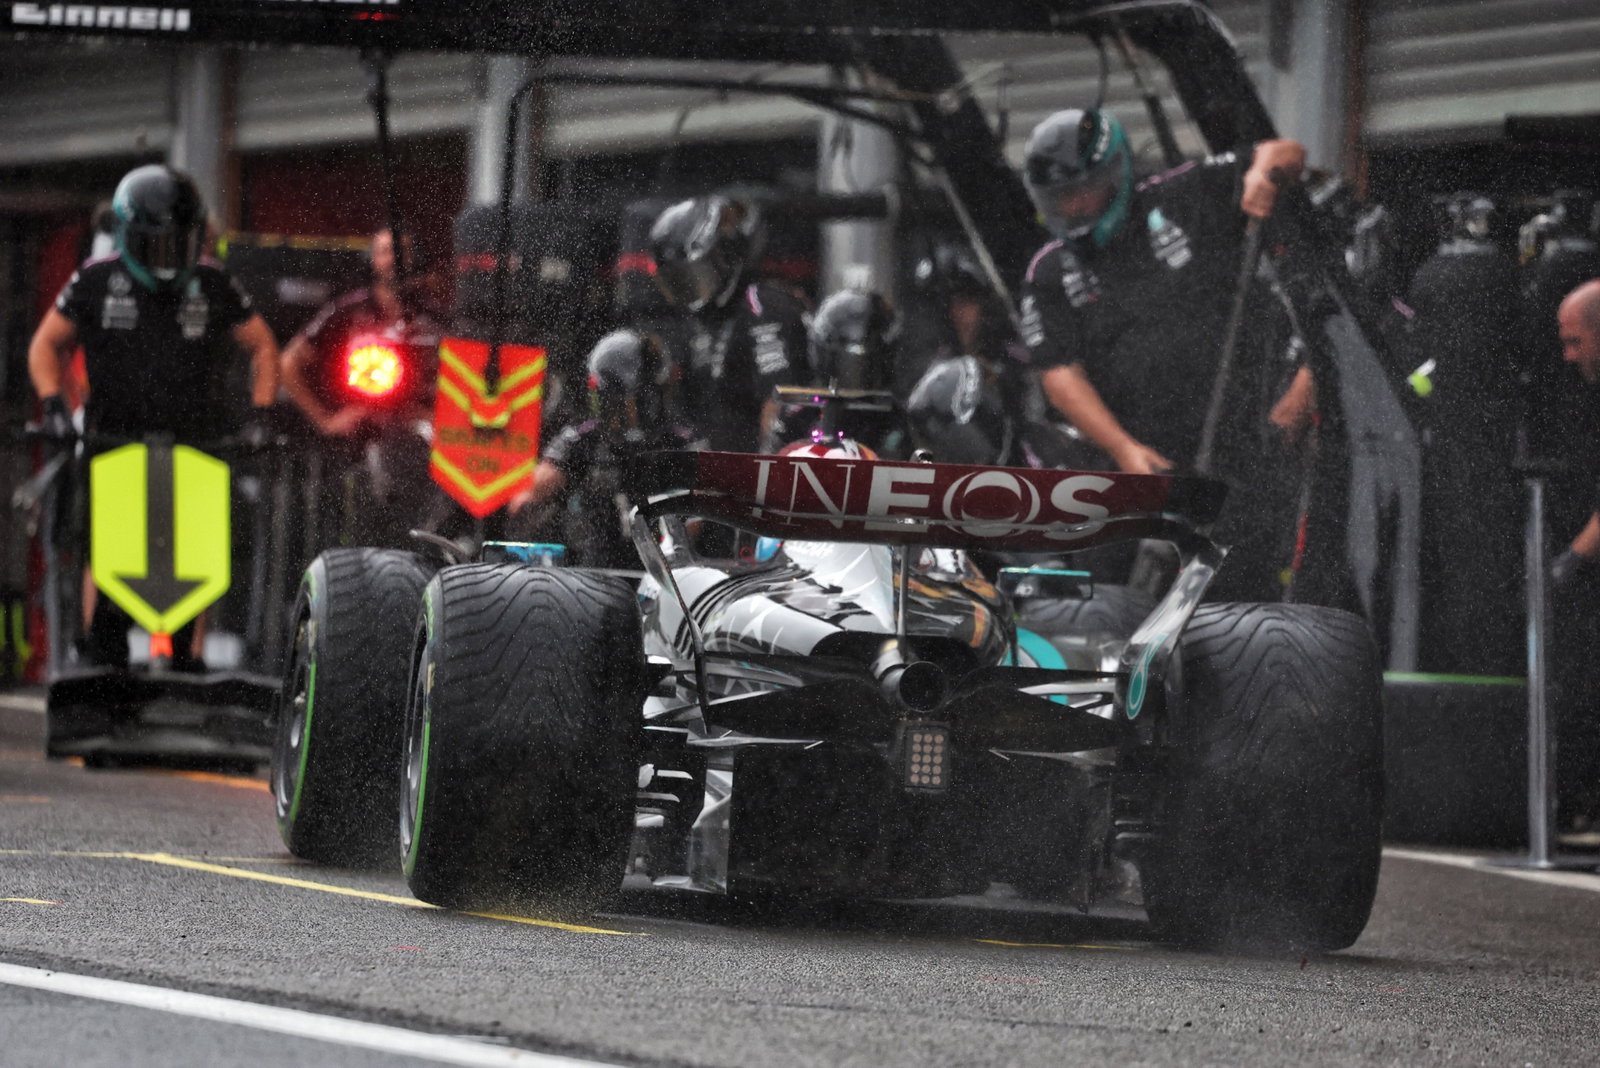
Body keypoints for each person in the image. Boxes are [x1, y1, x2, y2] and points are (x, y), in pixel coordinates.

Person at [26, 164, 280, 669]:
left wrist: (260, 415)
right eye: (156, 245)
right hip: (114, 444)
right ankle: (102, 657)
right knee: (109, 556)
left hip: (198, 448)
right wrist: (56, 408)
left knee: (196, 557)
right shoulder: (97, 280)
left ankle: (186, 657)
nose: (169, 259)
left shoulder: (213, 283)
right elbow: (45, 346)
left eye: (178, 245)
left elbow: (263, 348)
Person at [1017, 107, 1314, 475]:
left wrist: (1261, 175)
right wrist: (1122, 448)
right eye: (1060, 197)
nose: (1073, 206)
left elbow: (1285, 152)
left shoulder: (1186, 195)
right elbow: (1059, 373)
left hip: (1269, 429)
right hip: (1165, 465)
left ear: (1113, 173)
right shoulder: (1048, 273)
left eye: (1083, 192)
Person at [509, 330, 702, 567]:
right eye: (611, 403)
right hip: (591, 579)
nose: (616, 415)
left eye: (624, 403)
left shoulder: (681, 443)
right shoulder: (584, 439)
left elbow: (694, 526)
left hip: (661, 578)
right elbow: (526, 497)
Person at [648, 196, 809, 454]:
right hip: (714, 472)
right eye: (680, 283)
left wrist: (768, 477)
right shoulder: (700, 325)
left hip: (756, 476)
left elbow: (781, 399)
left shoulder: (763, 308)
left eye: (695, 278)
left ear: (722, 256)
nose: (690, 292)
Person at [279, 228, 442, 438]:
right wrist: (325, 421)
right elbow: (288, 363)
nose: (393, 259)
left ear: (415, 258)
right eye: (385, 252)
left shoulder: (438, 316)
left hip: (424, 436)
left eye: (402, 252)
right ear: (372, 259)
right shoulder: (346, 312)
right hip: (359, 438)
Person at [776, 288, 908, 457]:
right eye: (847, 364)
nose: (853, 374)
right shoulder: (799, 415)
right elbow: (772, 469)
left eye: (861, 365)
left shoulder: (894, 421)